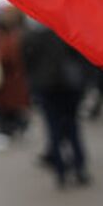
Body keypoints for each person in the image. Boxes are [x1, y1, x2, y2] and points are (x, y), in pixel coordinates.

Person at [22, 24, 91, 188]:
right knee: (72, 127)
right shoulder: (66, 31)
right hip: (67, 86)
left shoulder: (32, 36)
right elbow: (80, 57)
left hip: (47, 88)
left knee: (54, 128)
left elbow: (27, 63)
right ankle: (79, 167)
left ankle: (61, 171)